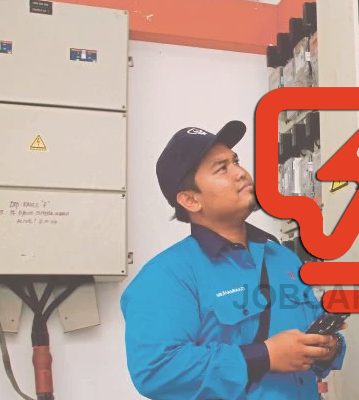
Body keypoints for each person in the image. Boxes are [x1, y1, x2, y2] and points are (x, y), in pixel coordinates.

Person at [120, 120, 346, 400]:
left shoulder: (284, 259)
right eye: (221, 168)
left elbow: (311, 336)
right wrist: (264, 356)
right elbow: (157, 370)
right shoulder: (165, 277)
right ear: (190, 200)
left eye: (236, 161)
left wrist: (329, 348)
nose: (240, 173)